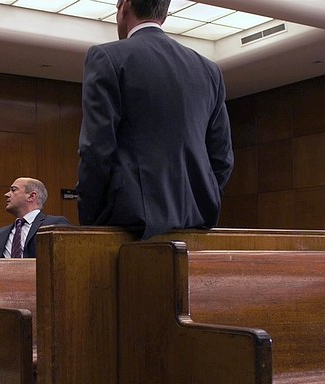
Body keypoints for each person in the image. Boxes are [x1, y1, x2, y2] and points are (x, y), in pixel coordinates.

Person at [76, 0, 234, 240]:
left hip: (129, 225)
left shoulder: (107, 57)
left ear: (125, 6)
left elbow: (96, 149)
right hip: (198, 221)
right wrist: (204, 197)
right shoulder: (209, 69)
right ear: (164, 14)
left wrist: (90, 220)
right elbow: (222, 158)